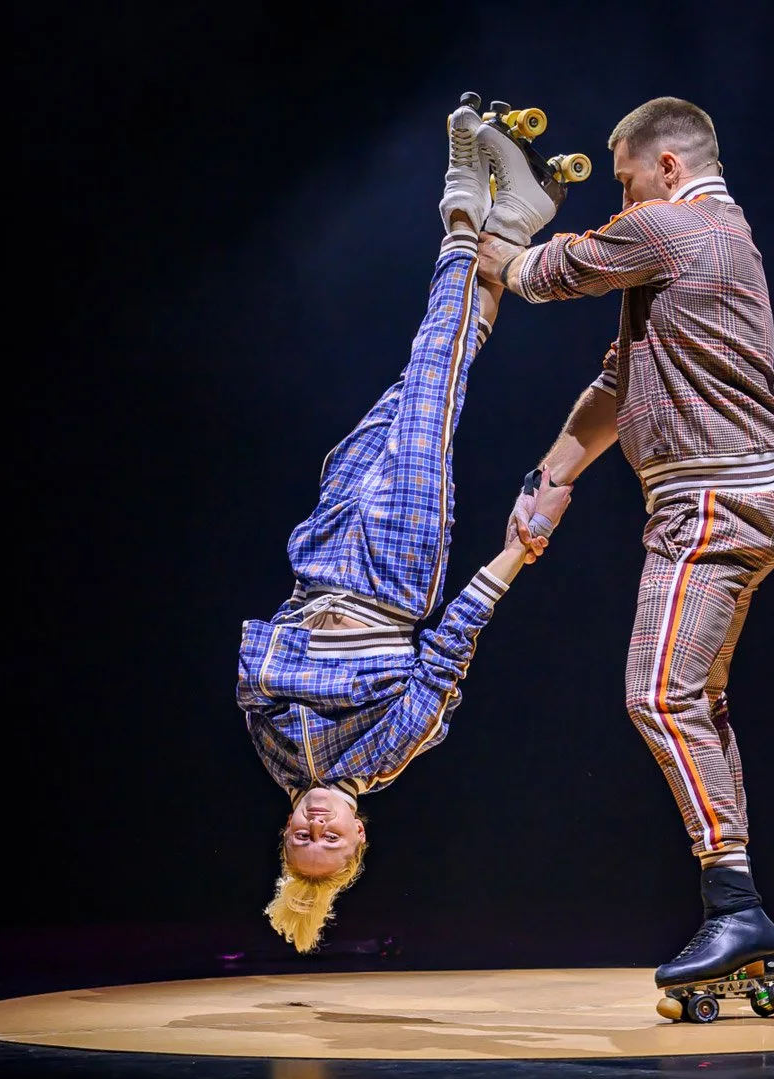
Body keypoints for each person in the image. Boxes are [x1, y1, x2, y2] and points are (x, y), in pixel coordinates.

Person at [476, 96, 774, 992]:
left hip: (713, 506)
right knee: (695, 701)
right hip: (730, 501)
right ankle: (741, 916)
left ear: (667, 166)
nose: (618, 198)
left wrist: (480, 222)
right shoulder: (694, 244)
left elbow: (543, 272)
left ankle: (738, 909)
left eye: (623, 178)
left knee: (658, 697)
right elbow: (618, 381)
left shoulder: (676, 226)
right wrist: (549, 481)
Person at [236, 96, 575, 953]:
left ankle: (498, 220)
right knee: (432, 371)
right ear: (359, 843)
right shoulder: (391, 752)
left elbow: (255, 659)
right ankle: (472, 200)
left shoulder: (276, 758)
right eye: (331, 843)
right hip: (392, 572)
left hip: (319, 557)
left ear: (284, 837)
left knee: (432, 372)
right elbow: (453, 643)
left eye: (300, 840)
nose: (315, 827)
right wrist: (513, 555)